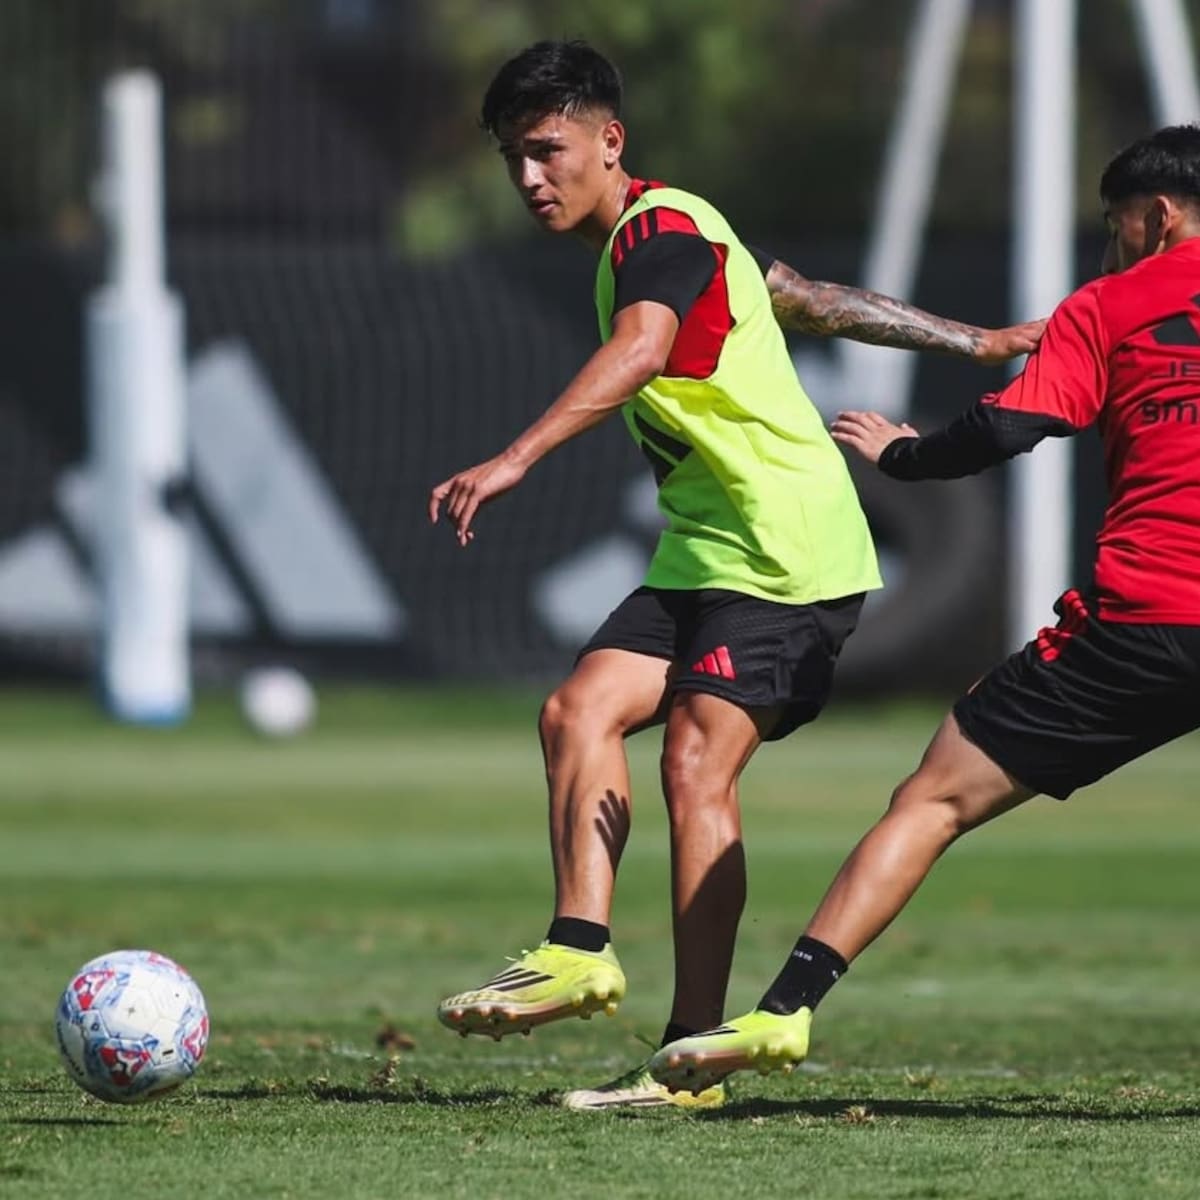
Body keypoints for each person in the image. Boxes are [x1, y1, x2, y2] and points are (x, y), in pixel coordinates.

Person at [428, 38, 1042, 1111]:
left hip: (787, 553)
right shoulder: (676, 230)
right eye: (512, 160)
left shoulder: (658, 231)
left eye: (546, 151)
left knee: (695, 760)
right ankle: (578, 947)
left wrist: (515, 456)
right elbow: (803, 296)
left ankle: (690, 1060)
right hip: (708, 552)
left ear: (609, 141)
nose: (529, 178)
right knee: (577, 712)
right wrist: (974, 338)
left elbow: (643, 348)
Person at [649, 123, 1200, 1098]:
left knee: (933, 799)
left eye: (1115, 228)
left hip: (1145, 617)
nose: (1109, 247)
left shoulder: (1110, 304)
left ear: (1156, 219)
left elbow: (1006, 427)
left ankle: (781, 1015)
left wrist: (902, 454)